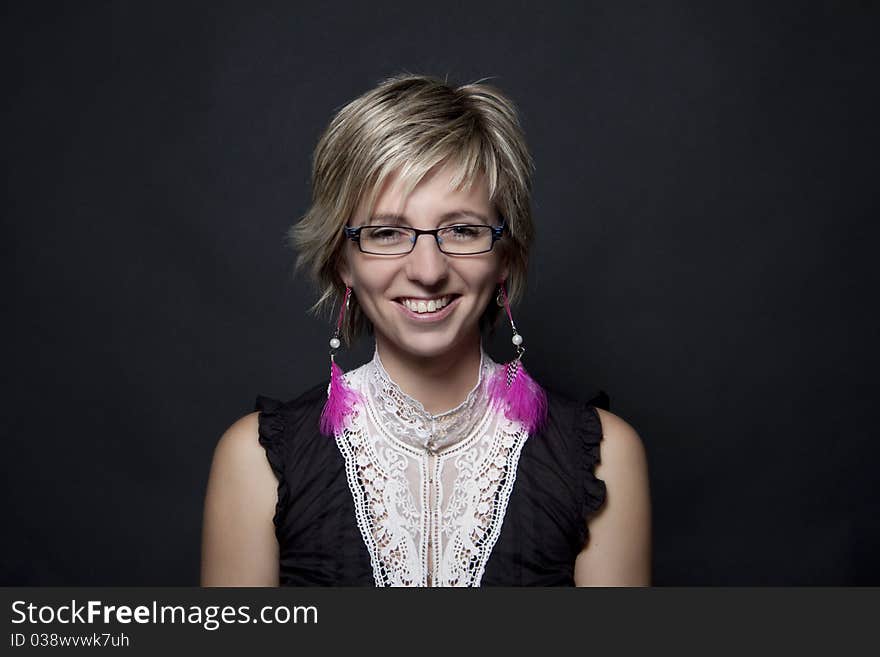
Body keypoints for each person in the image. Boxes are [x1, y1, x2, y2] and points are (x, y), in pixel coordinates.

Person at [201, 74, 651, 586]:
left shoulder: (604, 458)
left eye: (462, 230)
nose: (428, 269)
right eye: (387, 232)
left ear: (505, 255)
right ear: (342, 260)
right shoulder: (255, 462)